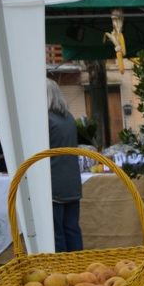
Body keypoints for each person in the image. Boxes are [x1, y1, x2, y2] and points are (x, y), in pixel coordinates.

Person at [46, 79, 83, 252]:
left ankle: (62, 271)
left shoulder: (45, 120)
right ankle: (80, 267)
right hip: (71, 182)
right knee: (72, 229)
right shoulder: (68, 118)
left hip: (53, 182)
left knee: (57, 233)